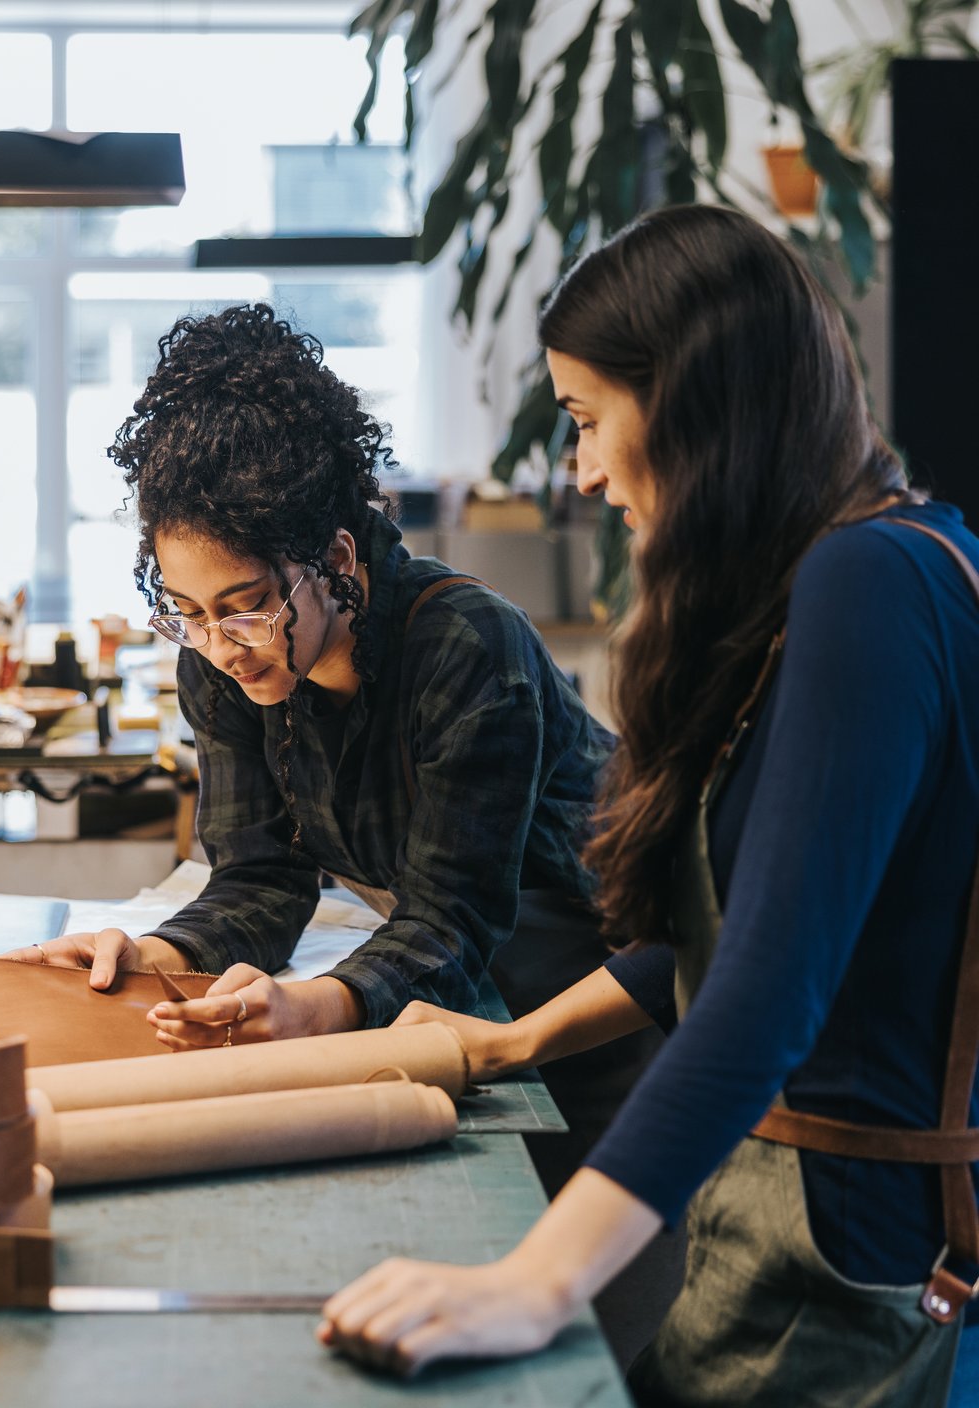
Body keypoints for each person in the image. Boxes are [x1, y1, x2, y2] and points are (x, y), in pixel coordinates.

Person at [318, 204, 979, 1407]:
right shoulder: (858, 572)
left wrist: (536, 1280)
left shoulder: (868, 581)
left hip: (845, 1257)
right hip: (789, 1231)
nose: (580, 471)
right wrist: (516, 1041)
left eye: (584, 419)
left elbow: (765, 988)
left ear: (687, 401)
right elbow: (717, 933)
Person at [11, 303, 614, 1053]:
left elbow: (451, 919)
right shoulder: (225, 661)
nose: (220, 648)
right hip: (471, 986)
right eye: (188, 612)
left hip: (604, 973)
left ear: (334, 561)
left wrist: (313, 1009)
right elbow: (260, 880)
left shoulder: (467, 647)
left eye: (247, 607)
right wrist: (151, 959)